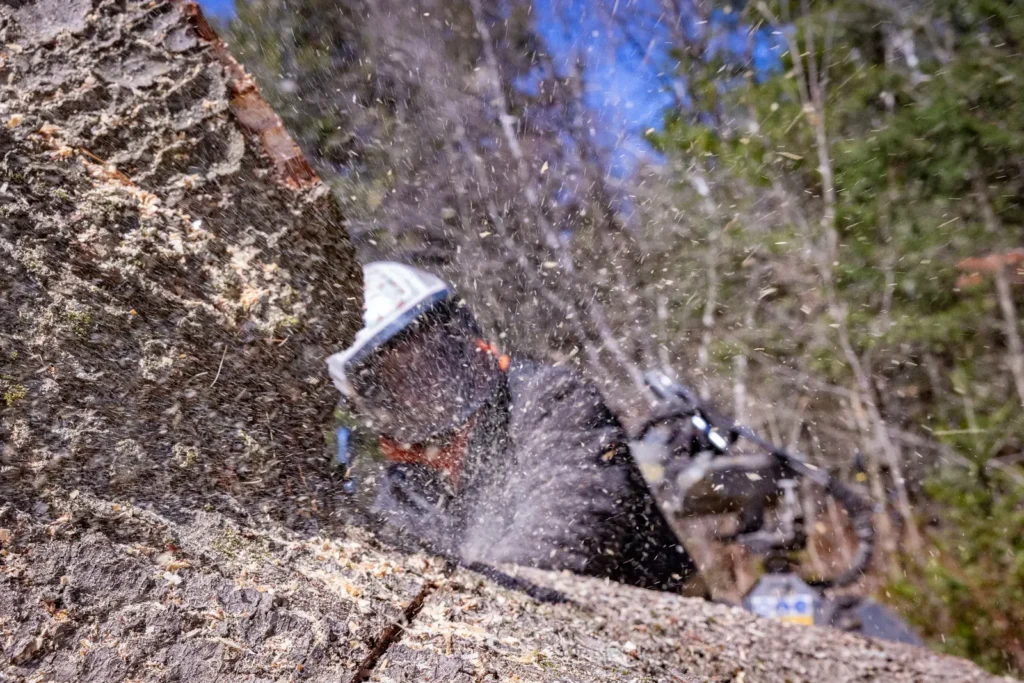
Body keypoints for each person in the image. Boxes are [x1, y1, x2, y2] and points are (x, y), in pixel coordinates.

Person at [327, 261, 707, 597]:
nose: (427, 385)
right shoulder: (403, 489)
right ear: (374, 400)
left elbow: (565, 533)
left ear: (462, 336)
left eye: (434, 357)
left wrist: (471, 605)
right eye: (399, 379)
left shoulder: (549, 400)